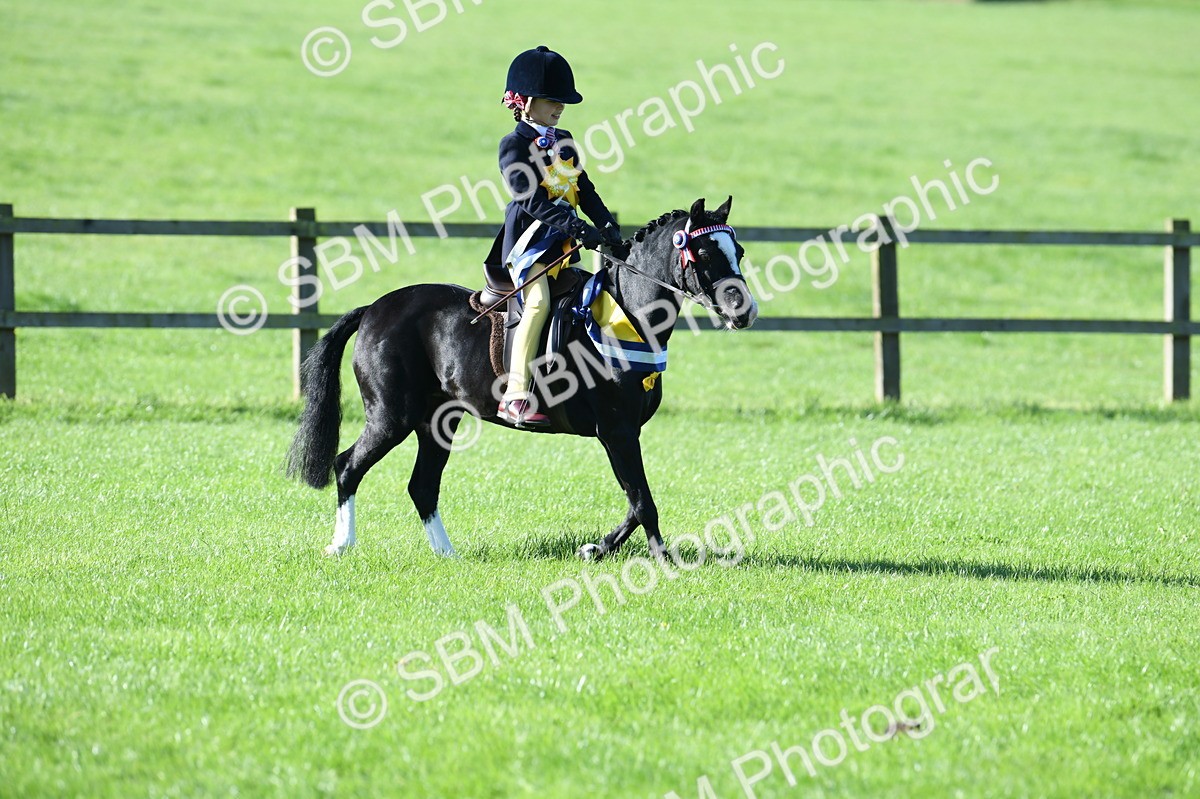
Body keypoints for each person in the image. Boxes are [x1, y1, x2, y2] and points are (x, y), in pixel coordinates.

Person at [483, 45, 621, 427]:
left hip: (561, 246)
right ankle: (514, 395)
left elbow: (584, 188)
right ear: (525, 102)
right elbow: (530, 200)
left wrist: (606, 225)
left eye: (562, 102)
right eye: (550, 101)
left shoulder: (565, 138)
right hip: (529, 244)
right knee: (539, 302)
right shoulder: (513, 145)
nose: (559, 107)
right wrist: (576, 227)